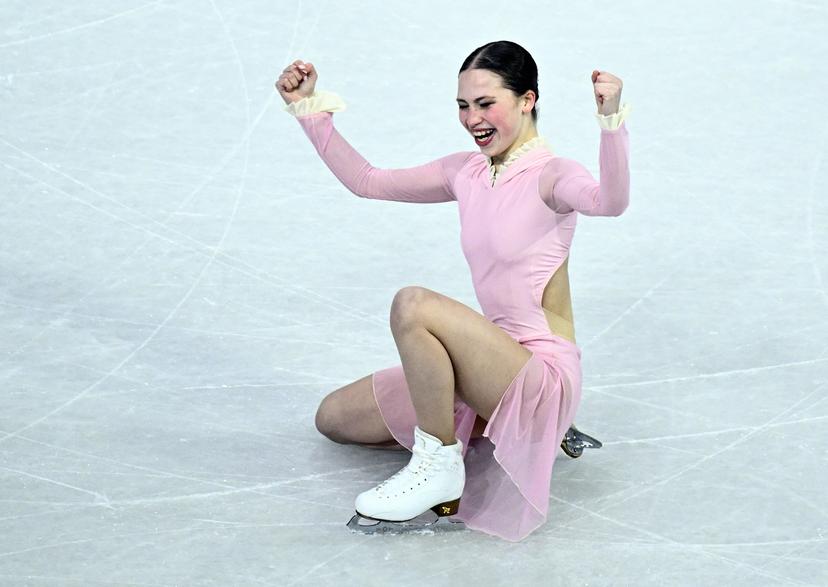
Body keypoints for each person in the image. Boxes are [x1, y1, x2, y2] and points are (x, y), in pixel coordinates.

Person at [276, 40, 630, 542]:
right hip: (486, 365)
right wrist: (308, 110)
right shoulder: (464, 171)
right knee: (333, 418)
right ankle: (484, 429)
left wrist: (611, 120)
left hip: (541, 376)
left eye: (487, 104)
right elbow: (367, 180)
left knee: (413, 306)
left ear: (527, 100)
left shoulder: (553, 175)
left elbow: (610, 202)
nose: (473, 118)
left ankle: (439, 465)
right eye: (463, 106)